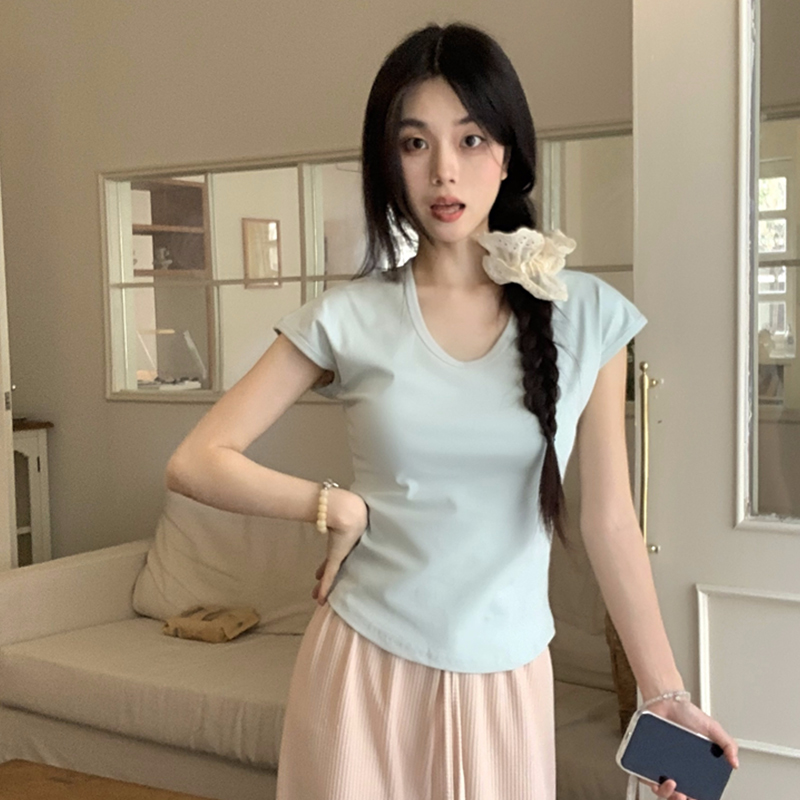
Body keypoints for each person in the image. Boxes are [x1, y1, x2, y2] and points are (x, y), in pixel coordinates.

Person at [165, 21, 739, 800]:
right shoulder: (348, 317)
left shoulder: (588, 316)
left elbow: (609, 520)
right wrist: (332, 505)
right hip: (362, 670)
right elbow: (196, 461)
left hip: (507, 682)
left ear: (508, 153)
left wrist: (664, 692)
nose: (444, 170)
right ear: (388, 161)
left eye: (471, 139)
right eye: (415, 143)